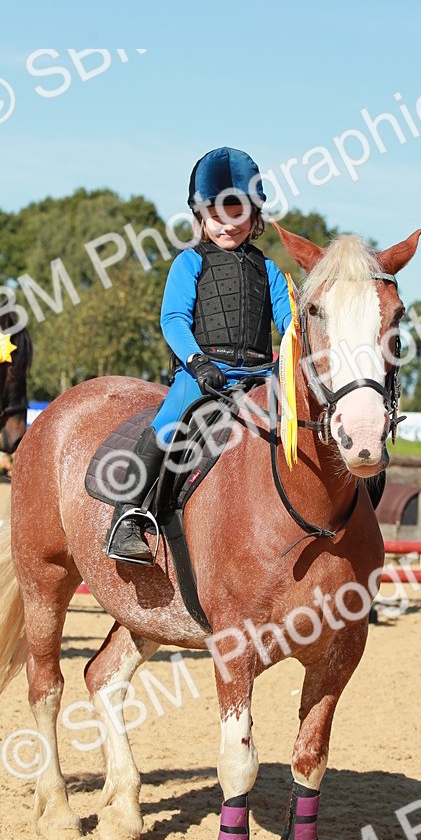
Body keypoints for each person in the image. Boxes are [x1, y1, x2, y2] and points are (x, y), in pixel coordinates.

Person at [104, 146, 293, 562]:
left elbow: (291, 323)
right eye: (216, 217)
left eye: (238, 215)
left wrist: (286, 363)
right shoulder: (189, 262)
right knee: (169, 424)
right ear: (201, 218)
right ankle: (129, 516)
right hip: (204, 371)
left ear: (254, 217)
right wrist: (197, 362)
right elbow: (173, 320)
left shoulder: (271, 271)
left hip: (262, 376)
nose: (227, 226)